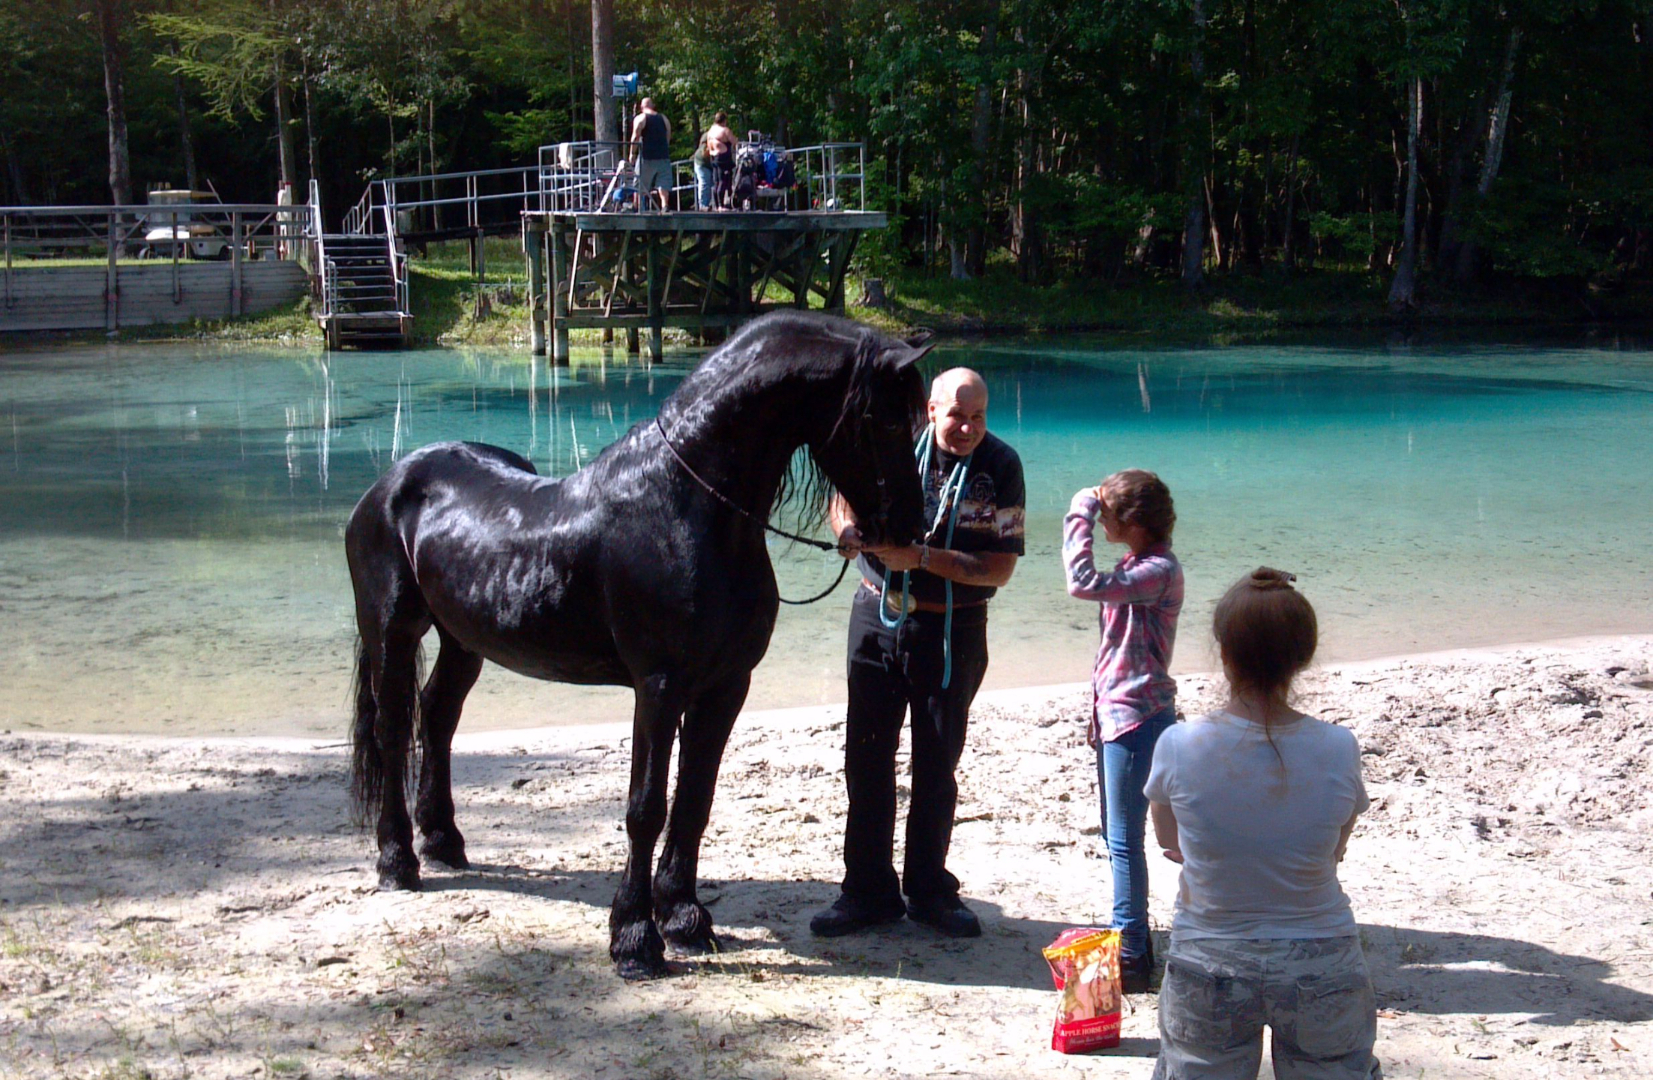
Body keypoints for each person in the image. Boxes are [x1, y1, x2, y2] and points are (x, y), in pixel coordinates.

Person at [811, 368, 1025, 940]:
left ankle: (929, 891)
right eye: (957, 415)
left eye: (978, 417)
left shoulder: (1002, 467)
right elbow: (841, 499)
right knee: (866, 758)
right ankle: (867, 892)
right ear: (931, 411)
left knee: (936, 764)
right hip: (875, 617)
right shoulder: (893, 443)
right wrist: (848, 531)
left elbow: (1000, 569)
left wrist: (923, 560)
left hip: (953, 630)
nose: (968, 428)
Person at [1146, 569, 1380, 1080]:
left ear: (1224, 653)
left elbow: (1168, 840)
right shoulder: (1339, 747)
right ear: (1303, 657)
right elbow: (1334, 849)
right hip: (1322, 958)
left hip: (1210, 958)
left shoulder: (1179, 746)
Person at [1062, 469, 1183, 993]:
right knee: (1118, 838)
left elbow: (1080, 581)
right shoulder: (1139, 565)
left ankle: (1132, 951)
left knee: (1124, 840)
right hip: (1118, 715)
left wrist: (1079, 509)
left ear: (1133, 521)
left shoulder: (1158, 571)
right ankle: (1133, 941)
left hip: (1137, 717)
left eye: (1107, 514)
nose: (1100, 521)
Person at [629, 98, 672, 211]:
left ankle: (636, 206)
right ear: (653, 106)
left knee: (640, 182)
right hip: (663, 156)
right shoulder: (664, 118)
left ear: (641, 107)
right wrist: (665, 148)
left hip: (646, 156)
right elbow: (668, 135)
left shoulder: (641, 118)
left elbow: (635, 137)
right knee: (663, 183)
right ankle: (664, 206)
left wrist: (632, 153)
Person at [704, 111, 736, 209]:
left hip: (714, 158)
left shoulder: (711, 131)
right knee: (723, 181)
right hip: (723, 158)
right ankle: (721, 205)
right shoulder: (725, 130)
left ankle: (716, 205)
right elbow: (734, 141)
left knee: (716, 182)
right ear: (724, 120)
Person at [691, 135, 715, 210]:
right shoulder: (710, 135)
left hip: (710, 163)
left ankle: (711, 204)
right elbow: (703, 151)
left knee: (713, 183)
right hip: (702, 163)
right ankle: (703, 205)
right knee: (705, 182)